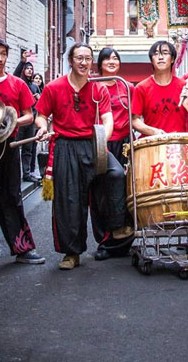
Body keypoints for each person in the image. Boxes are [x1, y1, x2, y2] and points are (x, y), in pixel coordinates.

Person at [34, 44, 133, 270]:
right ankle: (72, 253)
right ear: (71, 60)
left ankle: (116, 226)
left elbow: (108, 119)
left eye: (88, 58)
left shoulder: (99, 89)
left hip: (93, 144)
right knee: (70, 200)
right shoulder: (54, 87)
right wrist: (41, 128)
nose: (83, 62)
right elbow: (41, 116)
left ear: (92, 62)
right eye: (79, 58)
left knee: (116, 174)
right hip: (65, 147)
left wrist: (102, 139)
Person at [0, 38, 45, 271]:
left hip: (9, 147)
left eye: (3, 53)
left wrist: (10, 121)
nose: (0, 58)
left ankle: (22, 248)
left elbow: (29, 116)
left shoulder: (18, 84)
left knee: (12, 196)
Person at [91, 47, 134, 260]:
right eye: (107, 58)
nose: (111, 61)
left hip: (124, 144)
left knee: (126, 192)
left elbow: (136, 117)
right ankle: (105, 242)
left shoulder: (127, 87)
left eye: (115, 58)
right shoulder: (92, 86)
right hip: (101, 145)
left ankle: (125, 243)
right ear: (99, 64)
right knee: (101, 195)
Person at [132, 40, 188, 135]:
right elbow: (134, 120)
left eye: (165, 53)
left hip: (178, 144)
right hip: (151, 144)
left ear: (173, 59)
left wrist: (187, 105)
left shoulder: (184, 86)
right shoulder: (141, 88)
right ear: (151, 60)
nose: (160, 57)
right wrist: (154, 132)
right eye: (156, 54)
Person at [14, 59, 41, 183]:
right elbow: (15, 75)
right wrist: (22, 62)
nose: (29, 70)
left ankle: (26, 173)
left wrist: (37, 98)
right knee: (15, 147)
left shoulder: (35, 86)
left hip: (31, 120)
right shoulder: (19, 83)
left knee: (28, 148)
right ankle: (14, 173)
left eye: (31, 69)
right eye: (27, 68)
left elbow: (40, 104)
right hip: (20, 119)